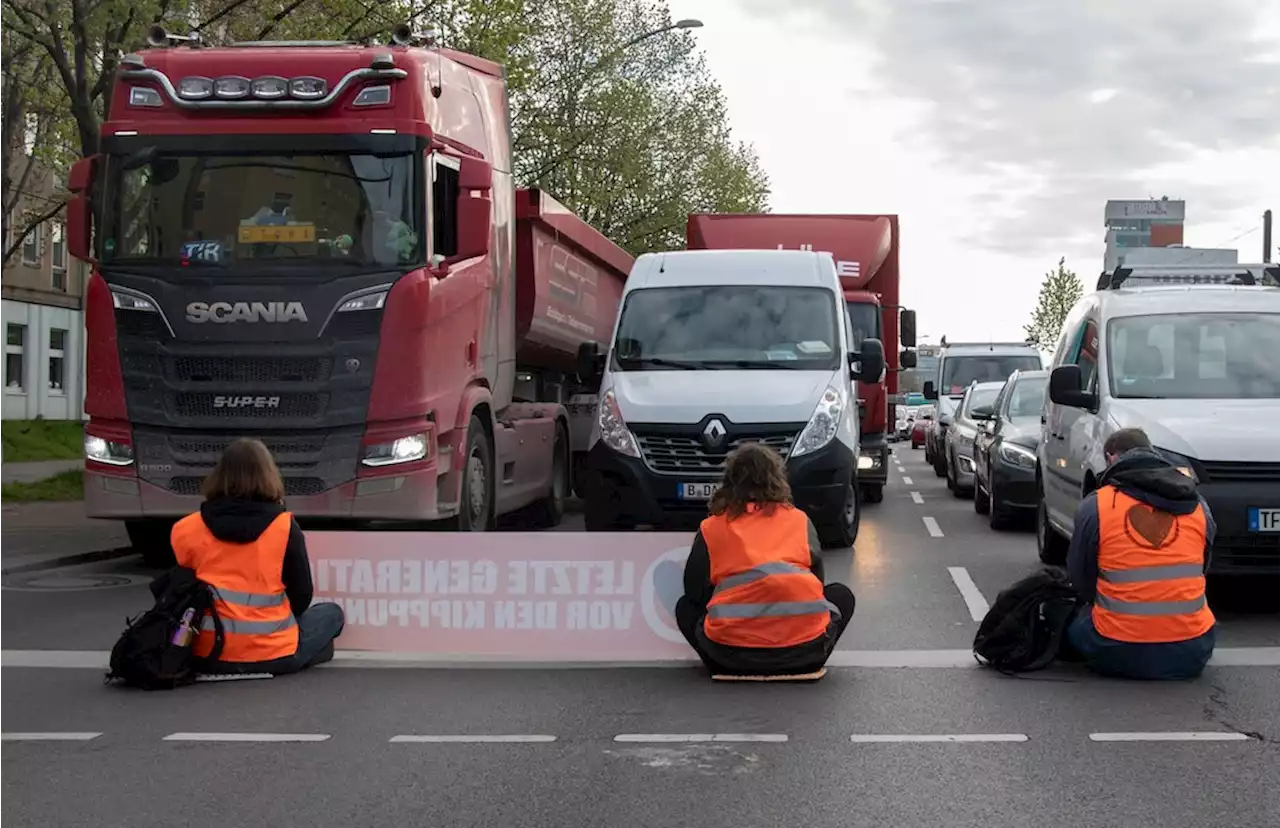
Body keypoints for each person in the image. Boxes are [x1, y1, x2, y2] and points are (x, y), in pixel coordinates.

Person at [674, 443, 857, 675]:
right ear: (777, 479)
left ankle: (727, 651)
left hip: (728, 656)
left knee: (685, 607)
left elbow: (693, 591)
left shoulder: (712, 527)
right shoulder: (799, 520)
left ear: (730, 482)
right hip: (805, 653)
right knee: (841, 595)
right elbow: (818, 586)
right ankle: (806, 652)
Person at [170, 438, 345, 675]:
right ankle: (310, 652)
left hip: (205, 653)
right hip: (274, 654)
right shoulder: (284, 527)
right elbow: (302, 595)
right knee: (332, 614)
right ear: (268, 475)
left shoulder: (185, 529)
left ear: (219, 475)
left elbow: (179, 595)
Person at [1065, 427, 1216, 680]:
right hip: (1192, 651)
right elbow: (1203, 565)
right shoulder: (1198, 505)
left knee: (1072, 621)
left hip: (1114, 650)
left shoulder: (1097, 505)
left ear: (1112, 458)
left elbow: (1080, 577)